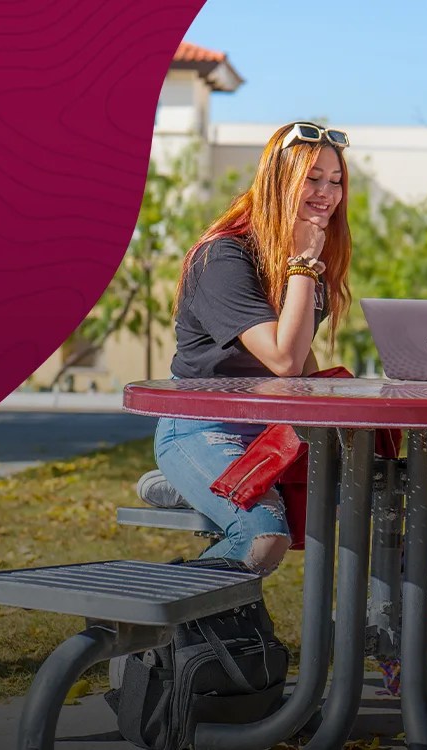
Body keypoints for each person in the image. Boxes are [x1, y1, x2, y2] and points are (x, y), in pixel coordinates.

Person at [153, 120, 354, 577]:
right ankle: (163, 618)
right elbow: (283, 360)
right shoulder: (225, 255)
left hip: (270, 429)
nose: (326, 193)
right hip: (203, 423)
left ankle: (375, 632)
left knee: (376, 500)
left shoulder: (301, 251)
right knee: (263, 538)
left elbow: (301, 360)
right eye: (312, 179)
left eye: (336, 181)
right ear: (278, 182)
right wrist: (304, 264)